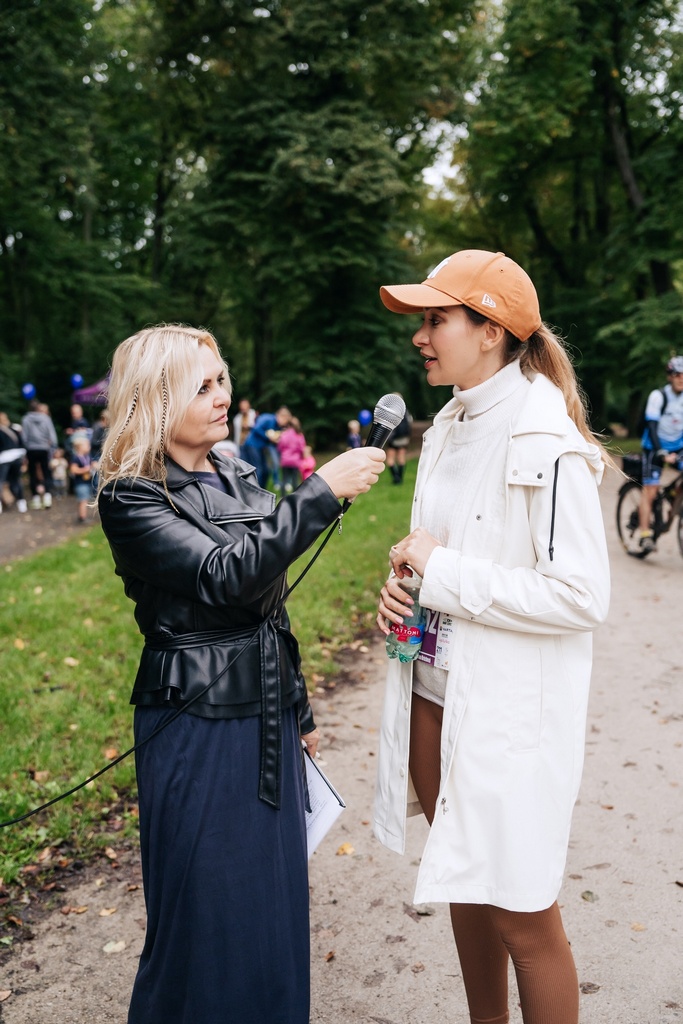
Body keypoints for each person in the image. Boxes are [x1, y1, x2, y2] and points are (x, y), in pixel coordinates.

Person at [96, 324, 385, 1024]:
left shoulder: (235, 471)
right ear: (155, 398)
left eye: (221, 378)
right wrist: (319, 492)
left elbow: (268, 605)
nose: (222, 395)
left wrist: (299, 708)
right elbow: (226, 575)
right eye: (201, 386)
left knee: (269, 906)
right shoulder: (131, 496)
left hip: (267, 715)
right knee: (206, 910)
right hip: (194, 723)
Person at [373, 249, 611, 1024]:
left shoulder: (545, 438)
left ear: (490, 330)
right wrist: (402, 592)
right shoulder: (448, 424)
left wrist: (439, 572)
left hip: (504, 717)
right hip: (431, 694)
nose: (419, 336)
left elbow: (580, 596)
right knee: (463, 886)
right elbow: (440, 554)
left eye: (435, 319)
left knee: (523, 920)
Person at [637, 354, 683, 554]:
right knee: (651, 491)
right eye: (677, 374)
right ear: (670, 376)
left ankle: (674, 494)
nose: (681, 378)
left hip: (677, 445)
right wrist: (661, 452)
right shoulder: (658, 396)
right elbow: (652, 427)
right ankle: (645, 535)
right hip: (655, 446)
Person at [241, 405, 290, 489]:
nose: (285, 424)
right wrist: (268, 437)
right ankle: (256, 489)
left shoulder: (277, 426)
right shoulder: (267, 418)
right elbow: (256, 428)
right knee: (258, 469)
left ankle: (263, 490)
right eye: (285, 421)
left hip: (262, 447)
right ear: (281, 416)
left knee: (266, 470)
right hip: (252, 445)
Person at [21, 400, 58, 509]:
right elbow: (52, 435)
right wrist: (53, 447)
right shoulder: (46, 418)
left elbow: (24, 437)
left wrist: (27, 447)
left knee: (32, 474)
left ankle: (36, 499)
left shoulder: (26, 419)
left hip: (31, 449)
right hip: (44, 449)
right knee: (46, 472)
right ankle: (47, 497)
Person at [0, 413, 27, 514]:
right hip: (17, 457)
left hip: (3, 458)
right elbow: (21, 442)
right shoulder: (15, 428)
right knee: (16, 480)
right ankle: (21, 503)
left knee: (1, 481)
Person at [385, 401, 412, 484]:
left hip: (394, 439)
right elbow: (410, 423)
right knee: (401, 458)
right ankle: (400, 478)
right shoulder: (406, 411)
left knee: (390, 459)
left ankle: (396, 477)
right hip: (403, 438)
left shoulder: (391, 412)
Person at [278, 416, 306, 494]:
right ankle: (295, 496)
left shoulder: (284, 434)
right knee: (295, 480)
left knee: (284, 479)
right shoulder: (299, 435)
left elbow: (280, 447)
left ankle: (282, 496)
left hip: (285, 460)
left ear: (289, 425)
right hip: (295, 461)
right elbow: (302, 448)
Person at [69, 435, 94, 522]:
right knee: (83, 500)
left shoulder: (88, 457)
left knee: (84, 500)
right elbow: (73, 470)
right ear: (80, 447)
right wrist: (85, 470)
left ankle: (82, 515)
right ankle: (82, 517)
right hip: (80, 483)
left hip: (87, 482)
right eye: (87, 445)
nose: (89, 447)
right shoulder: (76, 458)